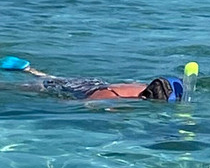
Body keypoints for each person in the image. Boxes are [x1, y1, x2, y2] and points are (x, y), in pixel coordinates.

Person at [1, 56, 185, 101]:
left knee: (57, 79)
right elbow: (91, 99)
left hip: (91, 81)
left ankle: (28, 69)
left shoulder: (141, 86)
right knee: (18, 87)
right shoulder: (115, 96)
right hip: (94, 89)